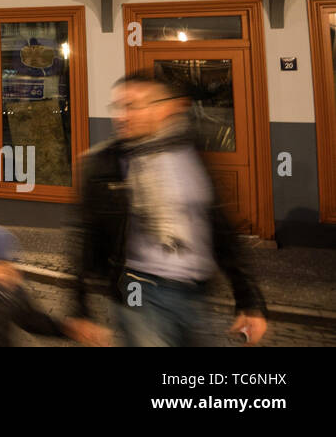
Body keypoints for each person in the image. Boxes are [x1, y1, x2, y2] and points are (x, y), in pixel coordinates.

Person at [71, 71, 268, 347]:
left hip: (194, 293)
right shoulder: (104, 164)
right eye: (117, 107)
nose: (121, 116)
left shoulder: (191, 152)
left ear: (163, 109)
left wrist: (248, 299)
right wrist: (80, 309)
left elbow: (220, 229)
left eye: (132, 106)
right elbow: (86, 236)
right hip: (139, 292)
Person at [0, 224, 108, 347]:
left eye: (7, 265)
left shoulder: (11, 292)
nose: (3, 273)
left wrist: (70, 328)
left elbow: (32, 320)